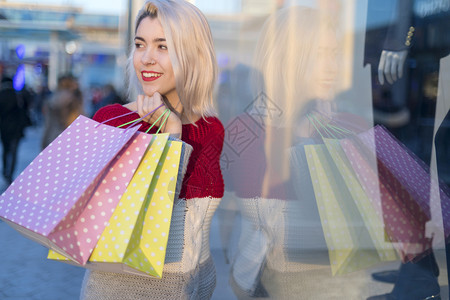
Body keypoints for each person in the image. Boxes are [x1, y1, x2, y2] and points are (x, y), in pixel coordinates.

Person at [80, 0, 224, 299]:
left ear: (193, 55)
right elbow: (150, 222)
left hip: (195, 289)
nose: (146, 58)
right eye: (140, 44)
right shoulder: (112, 122)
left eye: (163, 46)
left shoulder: (210, 130)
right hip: (120, 291)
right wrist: (171, 134)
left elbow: (199, 228)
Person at [0, 76, 32, 184]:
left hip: (4, 128)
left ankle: (5, 171)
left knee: (5, 150)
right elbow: (26, 108)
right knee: (14, 151)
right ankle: (10, 173)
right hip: (17, 128)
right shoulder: (18, 95)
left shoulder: (1, 95)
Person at [41, 74, 84, 149]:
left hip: (51, 135)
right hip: (67, 137)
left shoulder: (52, 98)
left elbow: (48, 122)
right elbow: (75, 120)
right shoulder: (72, 99)